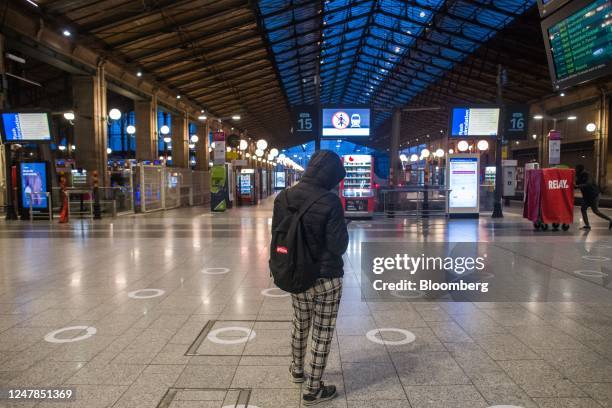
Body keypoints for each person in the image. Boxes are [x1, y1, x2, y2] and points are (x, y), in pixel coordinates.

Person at [271, 150, 348, 405]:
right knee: (322, 332)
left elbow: (278, 235)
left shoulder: (283, 197)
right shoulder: (330, 201)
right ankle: (314, 389)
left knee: (300, 323)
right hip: (327, 279)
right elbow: (338, 246)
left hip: (297, 274)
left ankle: (297, 370)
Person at [575, 164, 611, 230]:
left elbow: (588, 183)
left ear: (580, 169)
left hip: (594, 195)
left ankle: (610, 220)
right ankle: (587, 226)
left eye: (576, 169)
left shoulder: (587, 174)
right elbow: (576, 184)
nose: (575, 170)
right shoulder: (579, 176)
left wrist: (578, 186)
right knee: (583, 209)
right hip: (587, 196)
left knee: (596, 211)